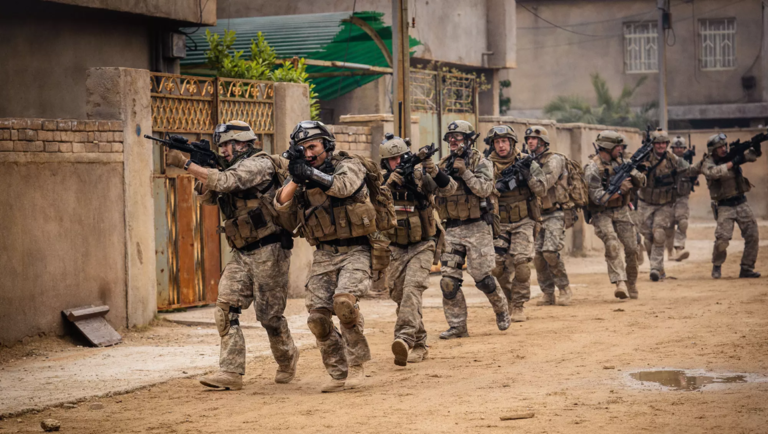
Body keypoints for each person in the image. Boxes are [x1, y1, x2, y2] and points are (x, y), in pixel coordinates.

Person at [165, 120, 298, 391]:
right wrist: (202, 169)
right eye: (221, 146)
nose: (223, 150)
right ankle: (230, 372)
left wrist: (187, 164)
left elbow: (229, 181)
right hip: (241, 252)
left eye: (227, 144)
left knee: (269, 317)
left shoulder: (258, 164)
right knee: (225, 309)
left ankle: (287, 358)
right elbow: (207, 198)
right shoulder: (225, 167)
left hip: (269, 249)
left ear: (242, 143)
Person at [275, 121, 376, 393]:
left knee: (344, 305)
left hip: (356, 249)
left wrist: (308, 172)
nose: (308, 152)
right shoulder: (301, 174)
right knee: (317, 319)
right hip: (324, 254)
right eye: (302, 148)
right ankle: (338, 371)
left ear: (326, 145)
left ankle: (357, 366)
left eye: (313, 146)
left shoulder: (349, 164)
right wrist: (296, 178)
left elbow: (343, 187)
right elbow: (281, 204)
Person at [379, 134, 456, 365]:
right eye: (393, 159)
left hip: (423, 243)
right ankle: (420, 342)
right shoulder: (381, 182)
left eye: (401, 157)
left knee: (413, 289)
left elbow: (449, 188)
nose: (398, 162)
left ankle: (403, 338)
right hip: (395, 247)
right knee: (399, 295)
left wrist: (433, 170)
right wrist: (387, 185)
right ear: (385, 162)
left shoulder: (421, 176)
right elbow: (370, 205)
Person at [435, 120, 511, 339]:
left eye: (457, 138)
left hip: (477, 227)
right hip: (452, 228)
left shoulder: (482, 161)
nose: (452, 142)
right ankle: (458, 326)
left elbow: (485, 188)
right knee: (448, 281)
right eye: (450, 138)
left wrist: (466, 173)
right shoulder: (444, 163)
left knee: (483, 279)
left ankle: (501, 309)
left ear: (468, 140)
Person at [486, 125, 544, 322]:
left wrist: (527, 175)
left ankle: (519, 305)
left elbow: (542, 190)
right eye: (497, 142)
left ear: (511, 143)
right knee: (496, 267)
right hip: (499, 222)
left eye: (504, 141)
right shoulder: (486, 164)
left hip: (523, 221)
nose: (501, 146)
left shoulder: (526, 161)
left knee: (521, 264)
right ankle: (509, 298)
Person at [584, 130, 646, 299]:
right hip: (600, 213)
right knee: (612, 244)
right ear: (608, 147)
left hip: (621, 210)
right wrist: (620, 190)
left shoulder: (623, 161)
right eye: (618, 146)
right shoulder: (592, 169)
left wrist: (634, 174)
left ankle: (631, 283)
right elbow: (598, 198)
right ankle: (619, 282)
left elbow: (642, 182)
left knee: (632, 248)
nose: (621, 149)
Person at [700, 133, 761, 279]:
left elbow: (751, 156)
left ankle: (747, 268)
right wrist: (733, 162)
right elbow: (712, 173)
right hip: (724, 206)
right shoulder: (709, 162)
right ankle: (717, 265)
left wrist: (756, 148)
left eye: (724, 146)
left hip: (741, 202)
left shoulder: (732, 156)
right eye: (719, 147)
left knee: (753, 235)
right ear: (713, 150)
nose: (723, 149)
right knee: (722, 240)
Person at [637, 128, 694, 281]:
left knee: (659, 234)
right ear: (653, 144)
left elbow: (689, 169)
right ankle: (658, 268)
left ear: (667, 144)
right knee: (648, 239)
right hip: (645, 204)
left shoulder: (672, 159)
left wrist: (703, 164)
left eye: (663, 143)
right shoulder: (643, 157)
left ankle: (655, 268)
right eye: (658, 143)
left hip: (664, 204)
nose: (661, 146)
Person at [525, 126, 573, 306]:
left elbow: (544, 184)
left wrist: (526, 174)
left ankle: (564, 288)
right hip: (537, 215)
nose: (530, 141)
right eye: (528, 139)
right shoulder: (528, 160)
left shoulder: (554, 160)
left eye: (534, 139)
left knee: (550, 252)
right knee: (538, 257)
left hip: (555, 212)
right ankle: (547, 293)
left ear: (543, 142)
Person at [667, 136, 697, 262]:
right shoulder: (667, 160)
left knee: (683, 222)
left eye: (681, 147)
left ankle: (679, 249)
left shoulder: (688, 161)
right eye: (676, 147)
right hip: (667, 198)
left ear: (684, 149)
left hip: (682, 197)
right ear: (672, 149)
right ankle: (669, 252)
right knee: (668, 225)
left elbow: (693, 178)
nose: (678, 149)